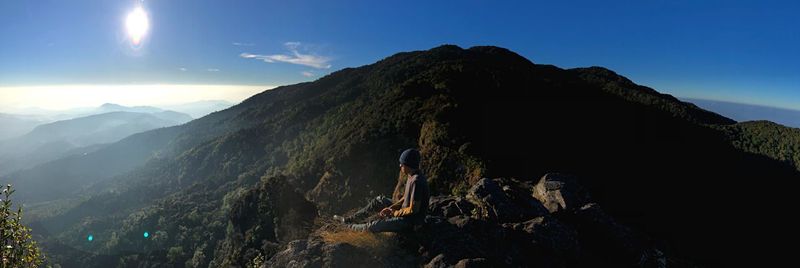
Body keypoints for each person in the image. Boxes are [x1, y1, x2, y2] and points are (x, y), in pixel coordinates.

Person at [335, 148, 430, 232]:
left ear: (408, 165)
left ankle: (348, 227)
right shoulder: (411, 176)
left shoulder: (417, 181)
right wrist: (391, 208)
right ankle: (349, 220)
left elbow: (414, 210)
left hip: (410, 221)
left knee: (374, 226)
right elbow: (405, 198)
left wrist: (394, 213)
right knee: (379, 200)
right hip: (403, 213)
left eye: (402, 163)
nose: (400, 165)